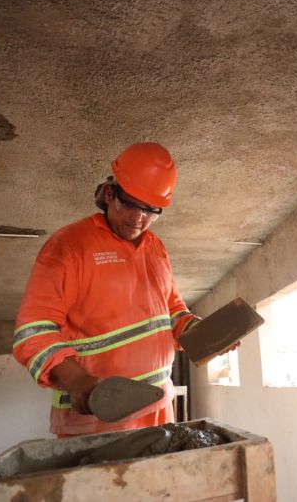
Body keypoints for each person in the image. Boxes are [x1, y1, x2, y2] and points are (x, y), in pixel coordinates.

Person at [13, 142, 203, 437]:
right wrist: (79, 383)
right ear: (110, 193)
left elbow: (173, 310)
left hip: (158, 411)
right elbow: (33, 334)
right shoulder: (68, 246)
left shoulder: (155, 248)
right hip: (97, 417)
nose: (138, 218)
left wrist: (199, 332)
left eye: (151, 210)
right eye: (130, 203)